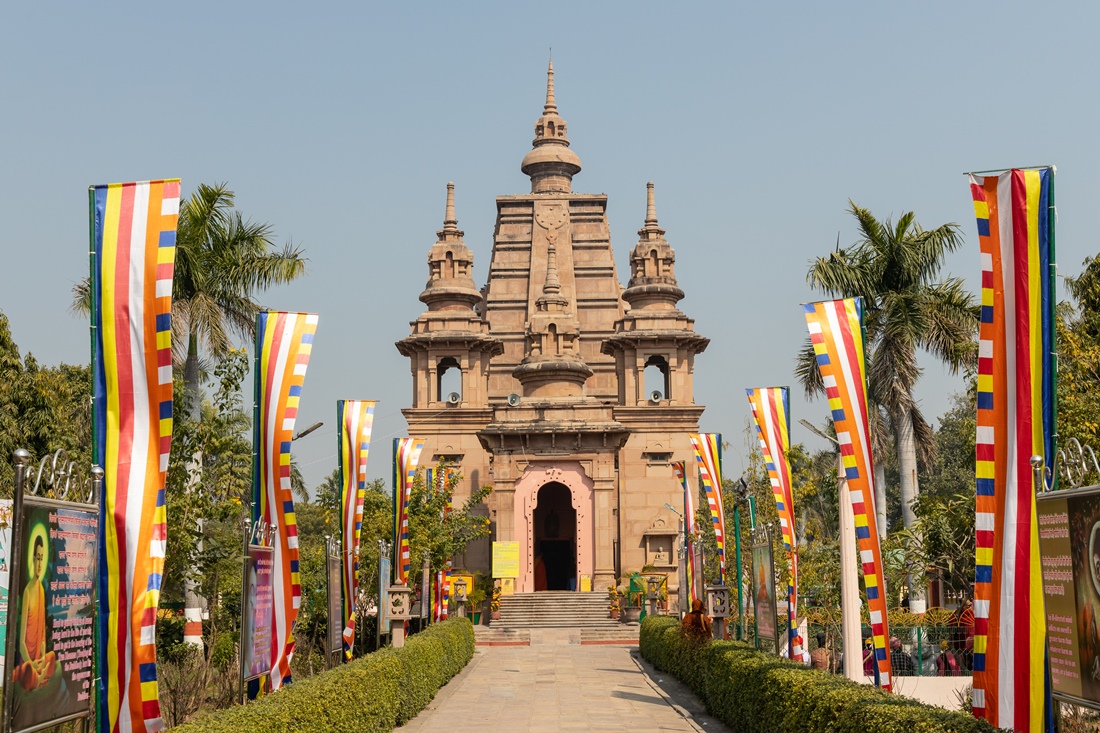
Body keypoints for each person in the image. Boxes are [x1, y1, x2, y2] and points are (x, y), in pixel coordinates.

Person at [14, 535, 56, 691]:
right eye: (37, 558)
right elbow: (22, 642)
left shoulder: (41, 590)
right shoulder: (27, 592)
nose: (39, 564)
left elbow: (42, 633)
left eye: (42, 559)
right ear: (32, 559)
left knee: (51, 657)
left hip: (38, 658)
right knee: (29, 671)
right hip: (27, 660)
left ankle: (40, 674)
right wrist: (31, 662)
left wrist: (43, 652)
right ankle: (37, 676)